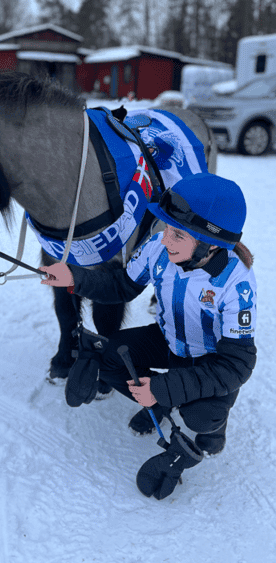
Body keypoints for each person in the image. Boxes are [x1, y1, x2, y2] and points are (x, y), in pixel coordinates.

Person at [40, 173, 257, 500]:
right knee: (110, 357)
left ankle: (208, 424)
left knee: (201, 416)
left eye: (178, 234)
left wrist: (162, 387)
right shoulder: (158, 248)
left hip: (210, 361)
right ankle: (161, 405)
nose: (166, 239)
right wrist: (75, 277)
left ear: (210, 243)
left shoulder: (236, 283)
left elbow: (236, 365)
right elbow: (120, 286)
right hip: (169, 340)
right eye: (166, 228)